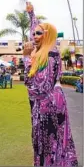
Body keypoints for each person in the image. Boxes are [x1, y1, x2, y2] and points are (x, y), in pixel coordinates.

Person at [23, 20, 78, 165]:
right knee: (47, 142)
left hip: (49, 106)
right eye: (33, 33)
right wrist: (31, 13)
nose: (34, 36)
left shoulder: (50, 55)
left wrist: (26, 58)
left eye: (38, 33)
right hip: (46, 104)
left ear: (48, 35)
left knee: (49, 143)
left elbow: (40, 88)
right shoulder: (43, 53)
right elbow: (33, 83)